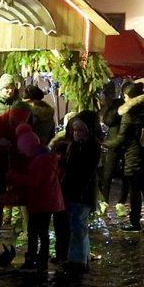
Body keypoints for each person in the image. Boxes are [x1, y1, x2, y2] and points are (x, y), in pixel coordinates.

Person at [0, 101, 33, 266]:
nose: (16, 123)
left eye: (20, 121)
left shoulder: (19, 128)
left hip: (6, 173)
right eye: (15, 119)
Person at [103, 81, 144, 231]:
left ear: (127, 96)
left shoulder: (129, 113)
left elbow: (121, 138)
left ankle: (135, 221)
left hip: (133, 155)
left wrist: (104, 144)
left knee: (135, 189)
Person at [7, 124, 65, 272]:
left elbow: (33, 181)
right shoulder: (46, 156)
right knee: (42, 231)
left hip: (41, 202)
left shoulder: (40, 161)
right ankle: (41, 258)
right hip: (48, 201)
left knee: (34, 231)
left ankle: (32, 258)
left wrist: (13, 176)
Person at [54, 110, 103, 274]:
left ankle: (77, 260)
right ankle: (83, 256)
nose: (76, 133)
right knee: (78, 226)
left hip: (81, 194)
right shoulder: (75, 145)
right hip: (73, 192)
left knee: (77, 228)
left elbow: (84, 173)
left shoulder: (91, 147)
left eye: (79, 130)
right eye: (74, 130)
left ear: (88, 131)